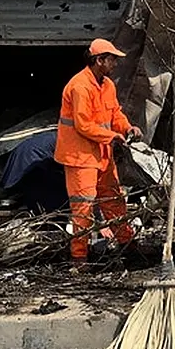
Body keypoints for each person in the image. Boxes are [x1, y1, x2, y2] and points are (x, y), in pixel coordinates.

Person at [53, 39, 143, 267]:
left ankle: (128, 247)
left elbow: (115, 115)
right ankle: (79, 258)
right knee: (82, 209)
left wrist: (127, 127)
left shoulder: (107, 86)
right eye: (111, 59)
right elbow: (83, 125)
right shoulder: (79, 86)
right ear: (98, 60)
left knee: (114, 201)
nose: (115, 63)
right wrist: (112, 136)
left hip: (101, 154)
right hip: (80, 157)